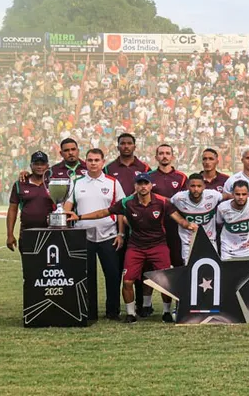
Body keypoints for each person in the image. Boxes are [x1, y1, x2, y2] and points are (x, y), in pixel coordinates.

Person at [72, 172, 197, 323]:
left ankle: (166, 312)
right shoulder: (127, 202)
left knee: (166, 281)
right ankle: (131, 314)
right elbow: (104, 212)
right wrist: (79, 217)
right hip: (136, 246)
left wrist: (188, 225)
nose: (143, 187)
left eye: (146, 184)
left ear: (151, 186)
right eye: (139, 184)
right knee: (127, 281)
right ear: (135, 186)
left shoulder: (162, 202)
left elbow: (178, 218)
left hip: (158, 246)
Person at [63, 148, 125, 321]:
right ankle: (89, 312)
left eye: (97, 160)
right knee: (87, 276)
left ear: (103, 162)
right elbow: (68, 205)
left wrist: (120, 233)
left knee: (113, 275)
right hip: (84, 237)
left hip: (109, 235)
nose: (93, 163)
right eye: (90, 160)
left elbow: (120, 210)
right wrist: (63, 216)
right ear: (86, 162)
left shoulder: (112, 183)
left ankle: (113, 312)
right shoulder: (77, 182)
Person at [104, 133, 151, 316]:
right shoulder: (109, 168)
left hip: (139, 226)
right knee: (116, 271)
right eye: (122, 143)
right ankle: (113, 308)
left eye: (129, 143)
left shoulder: (144, 167)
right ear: (118, 147)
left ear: (134, 146)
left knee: (140, 270)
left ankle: (141, 307)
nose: (126, 146)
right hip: (114, 227)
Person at [148, 144, 189, 266]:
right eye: (161, 153)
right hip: (155, 226)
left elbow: (186, 201)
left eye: (167, 153)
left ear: (172, 157)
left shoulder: (181, 177)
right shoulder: (149, 177)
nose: (164, 156)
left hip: (176, 226)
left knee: (177, 261)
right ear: (156, 157)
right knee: (155, 263)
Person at [6, 151, 54, 252]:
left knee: (50, 267)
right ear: (31, 165)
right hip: (27, 234)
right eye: (36, 164)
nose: (39, 167)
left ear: (48, 166)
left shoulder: (54, 183)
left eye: (42, 164)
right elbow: (12, 210)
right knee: (29, 267)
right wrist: (10, 234)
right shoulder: (20, 184)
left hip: (51, 234)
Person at [169, 173, 223, 261]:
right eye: (192, 186)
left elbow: (227, 197)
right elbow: (167, 206)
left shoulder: (213, 195)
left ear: (204, 186)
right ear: (187, 186)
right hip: (188, 243)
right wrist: (181, 221)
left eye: (199, 186)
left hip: (210, 241)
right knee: (190, 271)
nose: (196, 189)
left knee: (212, 269)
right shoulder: (179, 198)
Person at [215, 180, 249, 260]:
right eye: (237, 194)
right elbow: (219, 222)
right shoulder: (222, 208)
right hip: (228, 249)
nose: (241, 197)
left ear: (248, 194)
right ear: (232, 194)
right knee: (228, 272)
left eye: (244, 194)